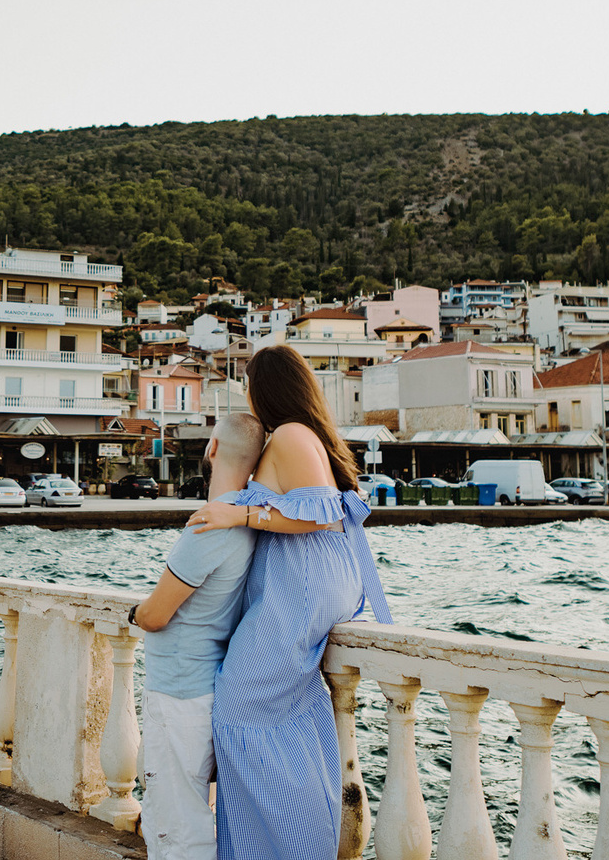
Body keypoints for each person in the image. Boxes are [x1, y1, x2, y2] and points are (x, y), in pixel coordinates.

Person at [188, 344, 392, 860]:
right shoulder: (295, 437)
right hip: (304, 585)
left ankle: (287, 846)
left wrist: (242, 515)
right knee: (286, 719)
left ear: (265, 389)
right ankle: (291, 843)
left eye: (249, 387)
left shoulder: (292, 435)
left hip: (303, 586)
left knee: (238, 709)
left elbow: (319, 514)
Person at [129, 412, 265, 860]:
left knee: (176, 825)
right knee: (188, 814)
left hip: (178, 690)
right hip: (206, 685)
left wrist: (135, 613)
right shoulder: (245, 522)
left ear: (212, 448)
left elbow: (155, 615)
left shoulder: (208, 527)